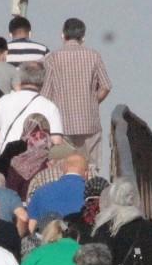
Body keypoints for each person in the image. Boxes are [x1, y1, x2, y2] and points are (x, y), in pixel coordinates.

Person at [40, 17, 111, 170]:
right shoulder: (94, 56)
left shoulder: (52, 58)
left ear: (62, 35)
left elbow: (46, 94)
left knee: (63, 168)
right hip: (89, 122)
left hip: (62, 123)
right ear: (83, 37)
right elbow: (106, 86)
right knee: (90, 168)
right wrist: (92, 101)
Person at [0, 60, 63, 166]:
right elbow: (57, 142)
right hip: (36, 166)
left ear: (20, 78)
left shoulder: (4, 101)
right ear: (43, 81)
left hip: (6, 162)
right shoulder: (50, 107)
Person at [27, 152, 88, 229]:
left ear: (64, 170)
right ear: (86, 173)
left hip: (48, 238)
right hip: (79, 239)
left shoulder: (41, 191)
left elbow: (32, 224)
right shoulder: (89, 193)